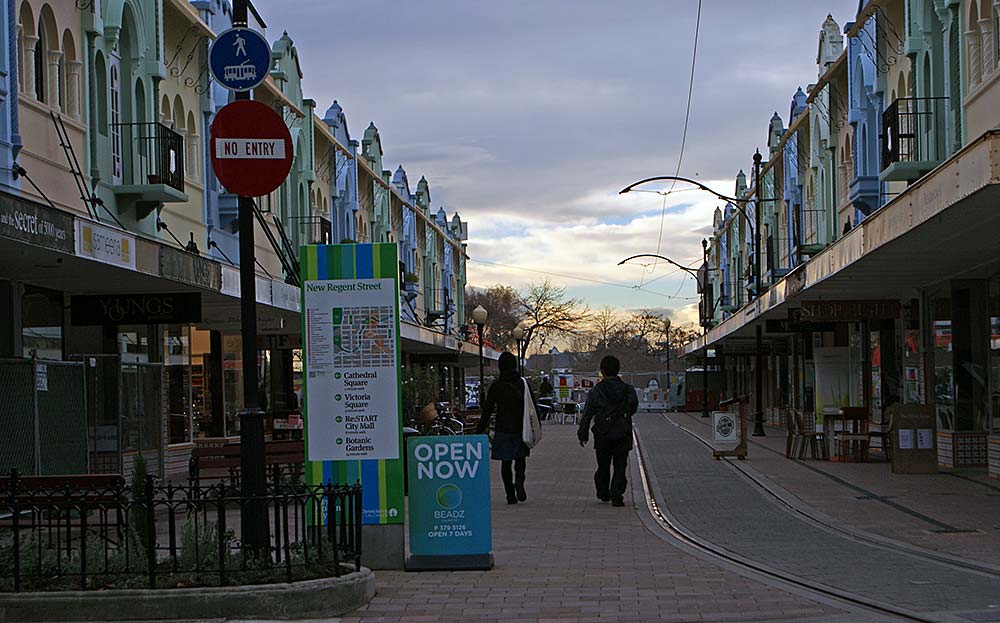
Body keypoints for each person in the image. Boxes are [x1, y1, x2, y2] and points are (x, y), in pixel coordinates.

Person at [577, 355, 638, 507]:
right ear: (618, 370)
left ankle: (603, 492)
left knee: (603, 465)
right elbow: (633, 408)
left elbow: (587, 414)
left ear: (602, 371)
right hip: (622, 433)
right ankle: (616, 494)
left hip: (602, 434)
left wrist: (583, 433)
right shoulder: (628, 390)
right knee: (620, 465)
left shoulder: (596, 391)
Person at [476, 352, 536, 504]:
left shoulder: (496, 386)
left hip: (503, 428)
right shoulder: (523, 383)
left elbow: (487, 410)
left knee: (506, 462)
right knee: (520, 458)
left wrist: (479, 431)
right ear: (514, 365)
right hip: (520, 427)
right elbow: (533, 406)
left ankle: (510, 494)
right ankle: (520, 479)